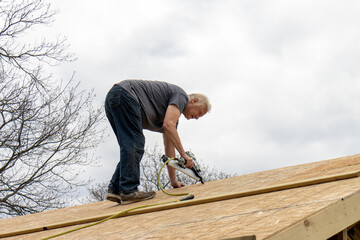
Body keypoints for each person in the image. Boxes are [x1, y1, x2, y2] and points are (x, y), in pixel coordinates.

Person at [105, 79, 211, 203]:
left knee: (130, 144)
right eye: (199, 113)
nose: (197, 118)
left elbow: (169, 148)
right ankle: (128, 190)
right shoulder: (181, 96)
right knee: (135, 143)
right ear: (194, 101)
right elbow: (168, 125)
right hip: (126, 95)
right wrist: (184, 155)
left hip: (114, 98)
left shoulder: (172, 117)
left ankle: (116, 189)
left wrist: (173, 181)